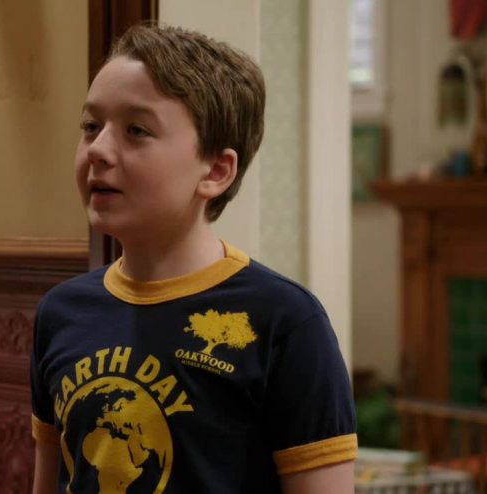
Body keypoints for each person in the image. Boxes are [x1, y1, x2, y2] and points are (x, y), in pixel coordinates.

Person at [30, 23, 357, 494]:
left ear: (216, 170)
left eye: (137, 131)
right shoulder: (61, 313)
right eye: (90, 127)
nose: (98, 149)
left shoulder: (285, 323)